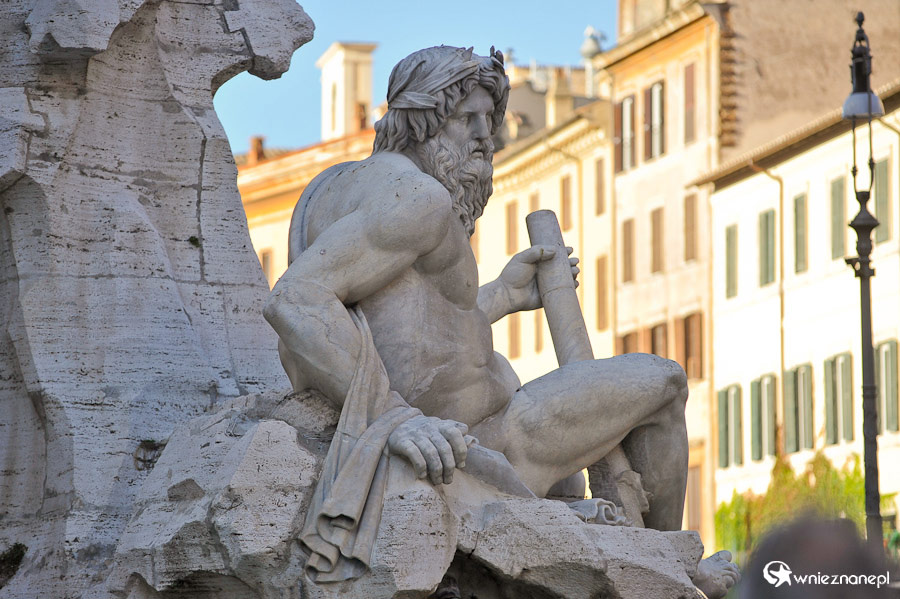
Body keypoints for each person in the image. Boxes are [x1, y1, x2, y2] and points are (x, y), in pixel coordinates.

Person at [264, 45, 689, 529]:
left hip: (468, 430)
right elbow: (294, 301)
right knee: (664, 380)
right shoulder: (418, 199)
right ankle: (669, 558)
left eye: (490, 119)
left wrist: (502, 296)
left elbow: (402, 333)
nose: (487, 137)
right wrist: (396, 420)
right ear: (424, 120)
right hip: (486, 445)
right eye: (468, 119)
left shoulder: (335, 186)